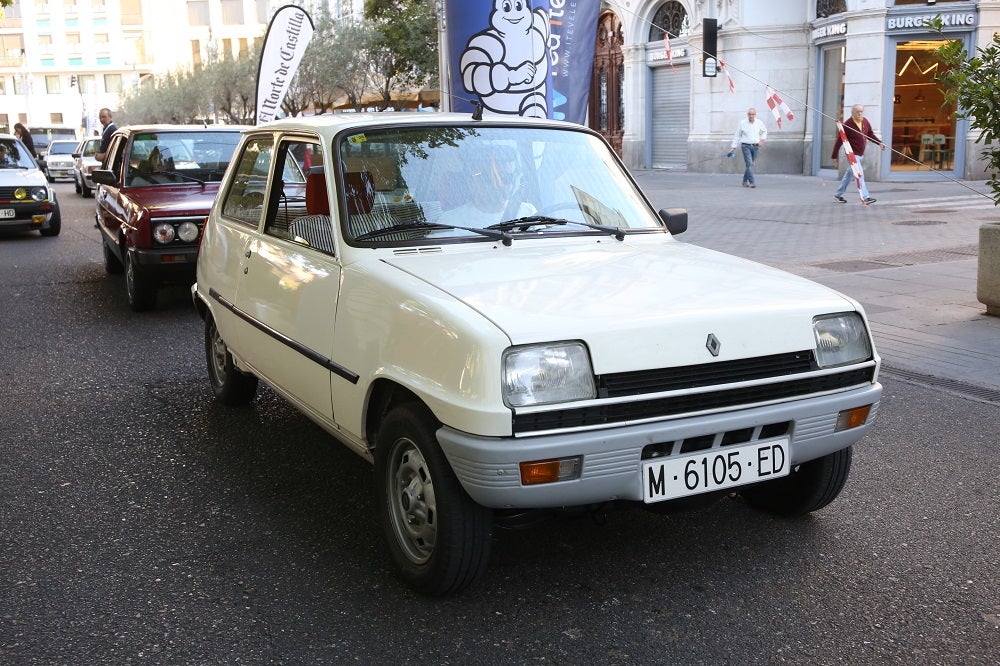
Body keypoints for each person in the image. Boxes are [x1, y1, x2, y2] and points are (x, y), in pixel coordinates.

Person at [831, 104, 886, 204]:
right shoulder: (847, 124)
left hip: (860, 154)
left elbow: (870, 134)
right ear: (852, 113)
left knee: (849, 175)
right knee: (859, 174)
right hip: (852, 155)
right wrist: (834, 156)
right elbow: (839, 141)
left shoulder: (865, 121)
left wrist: (879, 143)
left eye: (861, 111)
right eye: (857, 112)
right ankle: (865, 197)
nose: (860, 113)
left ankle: (838, 195)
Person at [729, 108, 767, 188]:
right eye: (749, 114)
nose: (751, 116)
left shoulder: (759, 122)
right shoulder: (742, 123)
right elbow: (737, 135)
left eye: (752, 114)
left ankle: (744, 181)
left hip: (755, 146)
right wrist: (733, 147)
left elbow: (764, 131)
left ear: (755, 115)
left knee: (750, 165)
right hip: (745, 146)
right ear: (747, 115)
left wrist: (762, 140)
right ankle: (752, 182)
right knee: (749, 163)